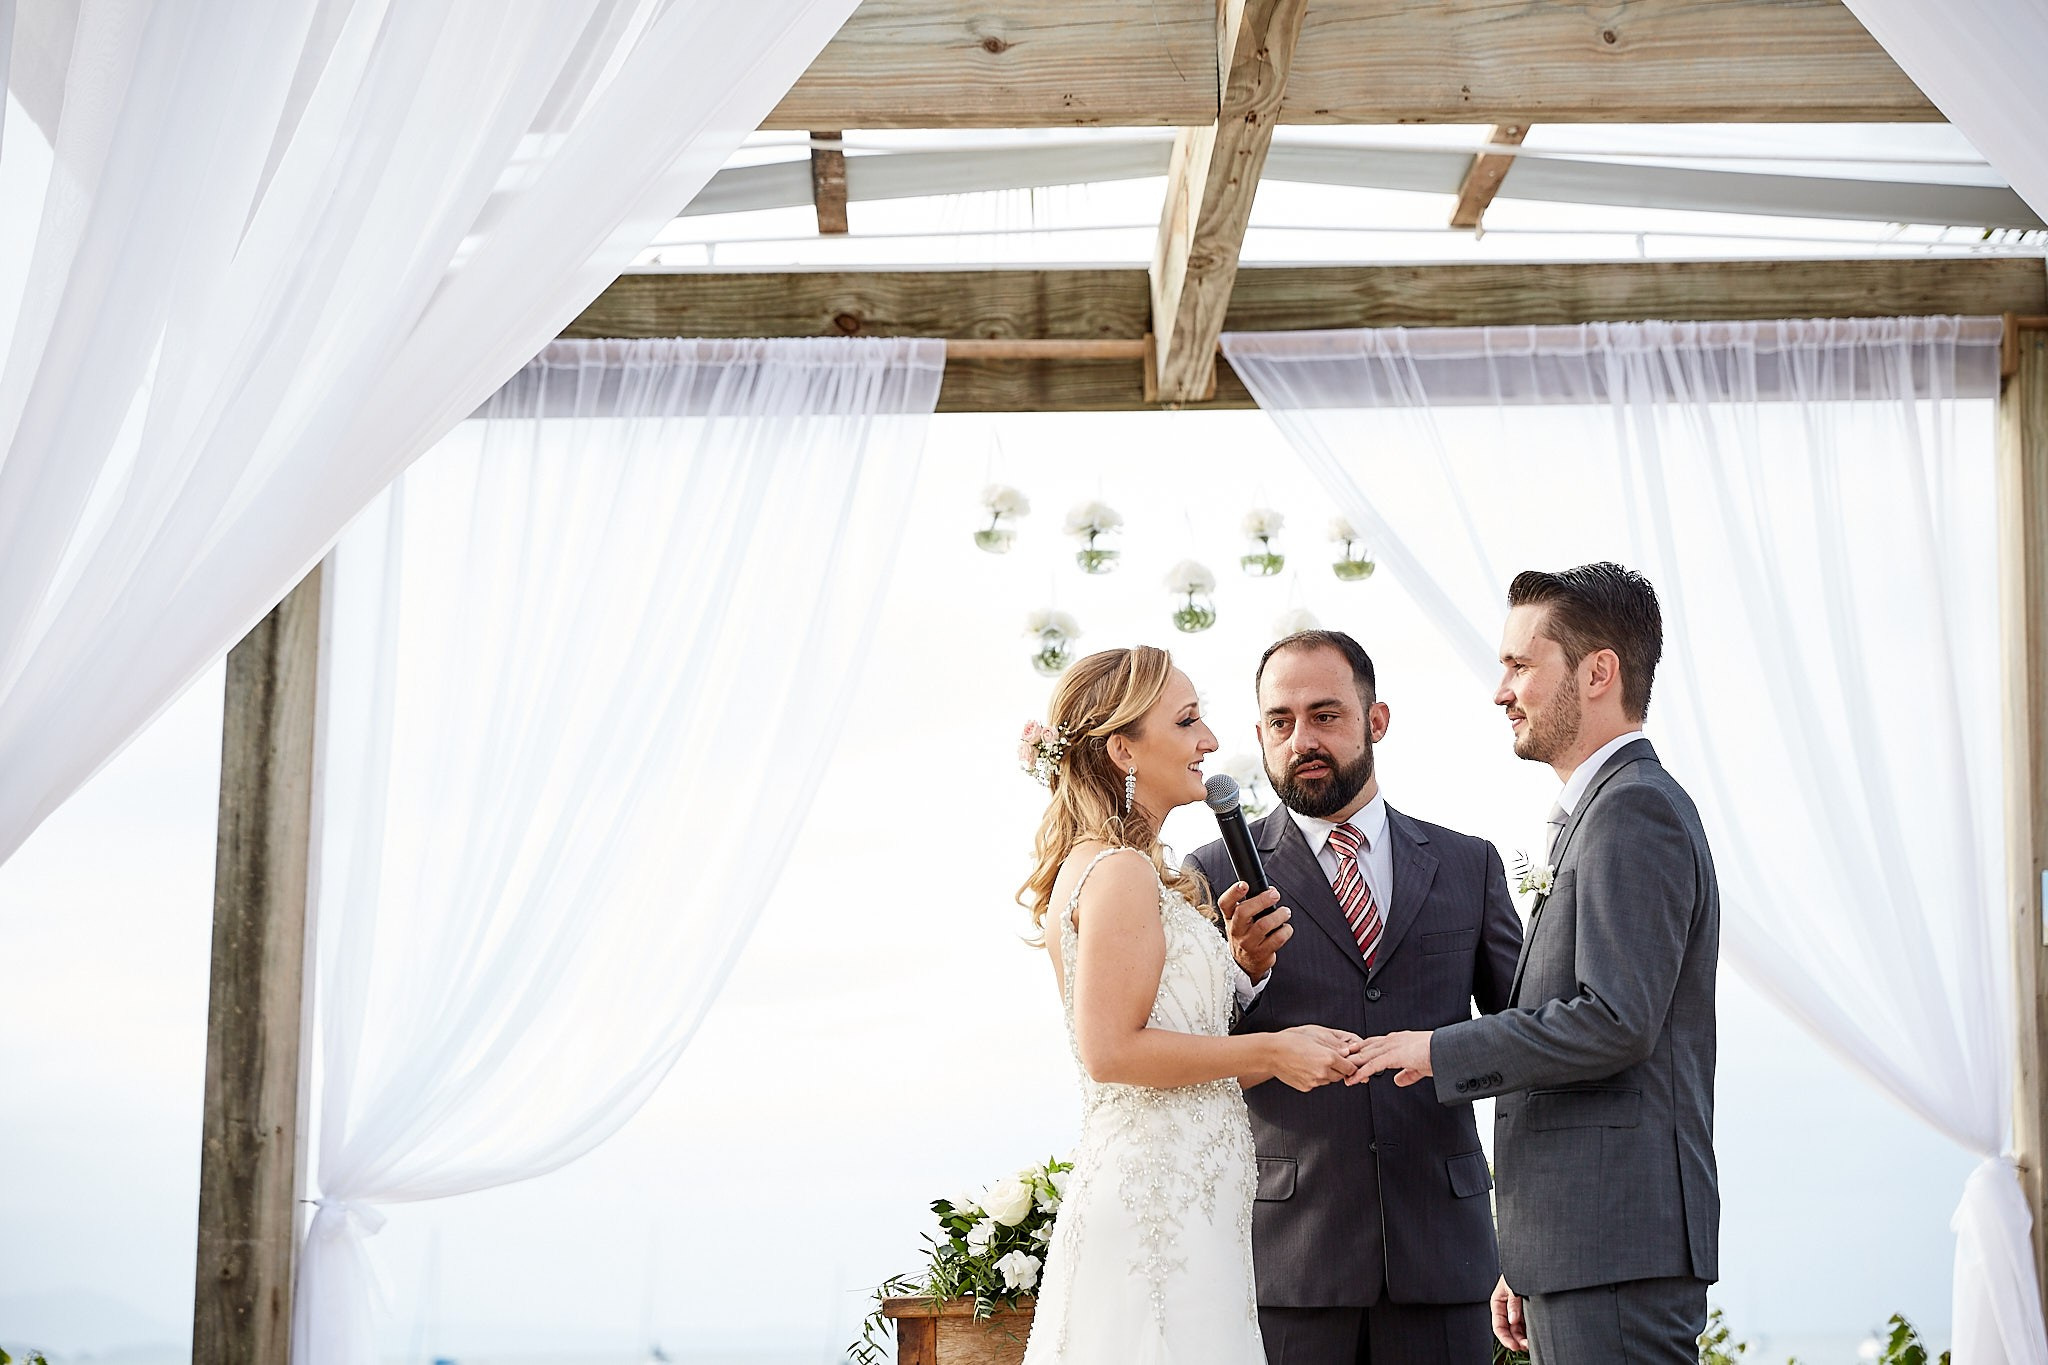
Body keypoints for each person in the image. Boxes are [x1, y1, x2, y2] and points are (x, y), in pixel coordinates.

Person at [1350, 564, 1720, 1365]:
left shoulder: (1637, 809)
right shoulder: (1604, 809)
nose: (1500, 689)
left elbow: (1616, 1020)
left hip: (1618, 1246)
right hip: (1582, 1248)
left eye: (1520, 664)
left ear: (1596, 672)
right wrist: (1526, 1252)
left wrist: (1437, 1048)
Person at [1018, 645, 1367, 1365]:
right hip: (1158, 1215)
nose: (1209, 740)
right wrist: (1273, 1048)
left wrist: (1239, 968)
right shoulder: (1117, 872)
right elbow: (1112, 1051)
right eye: (1186, 721)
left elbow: (1169, 1042)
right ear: (1123, 749)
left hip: (1191, 1206)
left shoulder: (1125, 865)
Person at [1185, 630, 1523, 1365]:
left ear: (1377, 720)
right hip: (1286, 1261)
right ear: (1260, 734)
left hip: (1448, 1259)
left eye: (1325, 714)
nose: (1301, 738)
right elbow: (1186, 1061)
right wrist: (1244, 970)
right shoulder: (1208, 873)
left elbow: (1525, 1046)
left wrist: (1527, 1242)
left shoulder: (1470, 864)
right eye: (1281, 721)